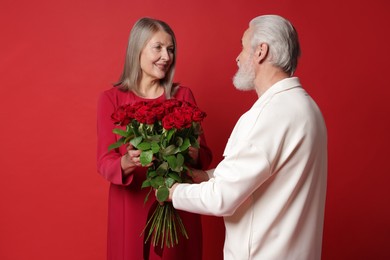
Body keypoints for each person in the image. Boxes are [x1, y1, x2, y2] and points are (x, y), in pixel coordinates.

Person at [164, 15, 327, 260]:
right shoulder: (308, 108)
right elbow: (263, 174)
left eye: (243, 46)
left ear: (261, 51)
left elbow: (222, 199)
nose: (238, 57)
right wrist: (205, 176)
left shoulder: (267, 115)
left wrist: (173, 192)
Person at [97, 17, 212, 260]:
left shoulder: (183, 95)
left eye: (170, 49)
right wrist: (126, 162)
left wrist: (193, 153)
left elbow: (205, 155)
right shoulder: (112, 99)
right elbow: (104, 161)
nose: (166, 57)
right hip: (130, 208)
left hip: (177, 208)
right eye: (158, 47)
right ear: (137, 49)